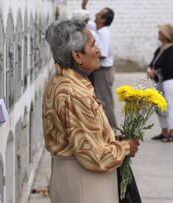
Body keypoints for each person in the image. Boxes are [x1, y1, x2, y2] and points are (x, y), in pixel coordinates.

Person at [42, 20, 140, 203]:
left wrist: (109, 140)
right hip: (86, 185)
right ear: (77, 55)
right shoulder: (74, 93)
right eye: (93, 45)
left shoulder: (62, 81)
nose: (99, 52)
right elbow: (94, 157)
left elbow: (82, 138)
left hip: (74, 179)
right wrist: (126, 147)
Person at [147, 24, 173, 142]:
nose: (158, 33)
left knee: (169, 105)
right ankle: (164, 131)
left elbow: (171, 68)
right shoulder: (160, 48)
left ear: (166, 35)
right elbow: (153, 63)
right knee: (159, 106)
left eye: (160, 32)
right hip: (160, 81)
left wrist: (155, 72)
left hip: (169, 81)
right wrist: (149, 69)